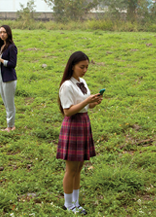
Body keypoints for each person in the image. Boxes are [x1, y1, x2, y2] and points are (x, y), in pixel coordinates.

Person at [56, 51, 103, 214]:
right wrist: (86, 101)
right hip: (73, 125)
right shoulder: (67, 85)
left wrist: (93, 103)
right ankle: (68, 204)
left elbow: (84, 105)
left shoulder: (81, 81)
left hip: (83, 123)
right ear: (72, 66)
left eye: (86, 67)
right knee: (71, 168)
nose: (84, 70)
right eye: (81, 67)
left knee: (79, 167)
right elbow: (67, 111)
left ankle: (75, 202)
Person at [0, 25, 18, 132]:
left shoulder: (12, 47)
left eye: (4, 32)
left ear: (8, 33)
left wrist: (0, 59)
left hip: (9, 79)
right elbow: (0, 63)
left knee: (9, 103)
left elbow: (13, 64)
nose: (2, 34)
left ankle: (10, 126)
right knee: (5, 102)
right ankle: (10, 125)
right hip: (1, 77)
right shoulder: (2, 46)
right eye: (0, 32)